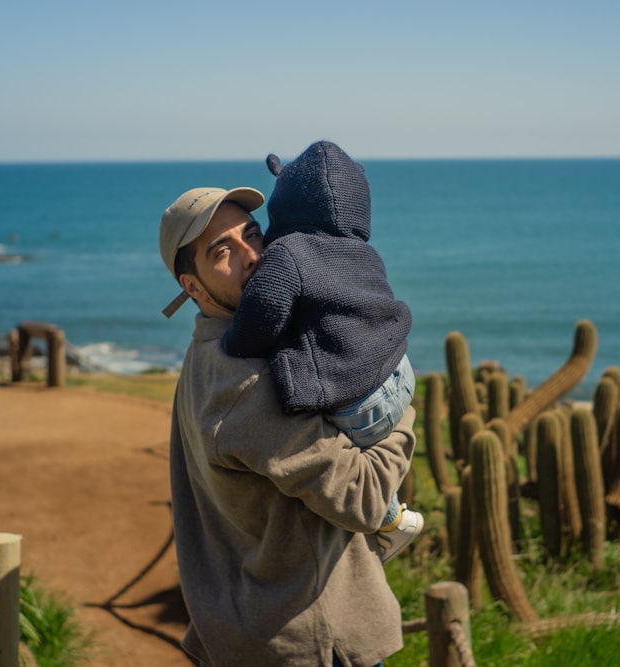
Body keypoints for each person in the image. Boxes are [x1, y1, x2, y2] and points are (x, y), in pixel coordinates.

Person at [159, 185, 417, 666]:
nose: (253, 256)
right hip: (313, 641)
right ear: (192, 287)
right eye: (223, 252)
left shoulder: (206, 357)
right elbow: (362, 498)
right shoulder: (247, 384)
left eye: (253, 236)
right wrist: (400, 408)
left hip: (251, 629)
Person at [220, 140, 423, 556]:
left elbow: (264, 309)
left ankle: (391, 521)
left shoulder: (289, 252)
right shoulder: (364, 253)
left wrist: (234, 342)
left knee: (344, 473)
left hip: (360, 405)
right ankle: (394, 515)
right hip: (399, 372)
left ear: (287, 202)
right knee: (363, 454)